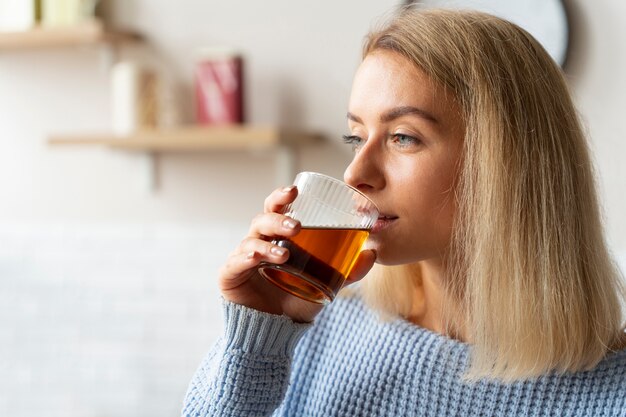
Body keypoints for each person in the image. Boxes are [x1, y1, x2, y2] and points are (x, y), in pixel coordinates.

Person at [181, 7, 626, 417]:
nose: (356, 172)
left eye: (403, 138)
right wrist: (257, 340)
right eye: (356, 137)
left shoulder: (612, 393)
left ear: (507, 165)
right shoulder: (317, 324)